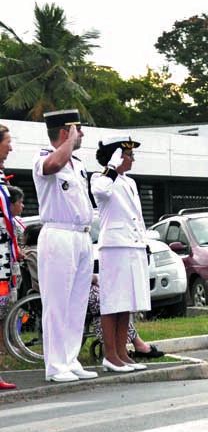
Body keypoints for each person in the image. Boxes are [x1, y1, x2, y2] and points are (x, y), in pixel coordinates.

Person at [33, 110, 98, 383]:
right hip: (58, 234)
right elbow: (52, 166)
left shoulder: (78, 164)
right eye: (78, 130)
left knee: (76, 303)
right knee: (57, 303)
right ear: (66, 131)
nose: (81, 135)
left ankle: (70, 360)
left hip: (81, 236)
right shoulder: (43, 158)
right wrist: (69, 142)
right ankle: (55, 365)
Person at [90, 136, 151, 373]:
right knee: (112, 302)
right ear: (117, 156)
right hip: (115, 247)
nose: (132, 158)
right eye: (128, 154)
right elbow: (101, 192)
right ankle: (110, 355)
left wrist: (143, 243)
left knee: (126, 303)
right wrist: (112, 167)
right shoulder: (101, 178)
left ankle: (122, 352)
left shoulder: (130, 182)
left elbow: (137, 216)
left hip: (132, 246)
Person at [0, 125, 19, 389]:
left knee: (1, 310)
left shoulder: (2, 177)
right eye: (7, 142)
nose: (11, 148)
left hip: (3, 255)